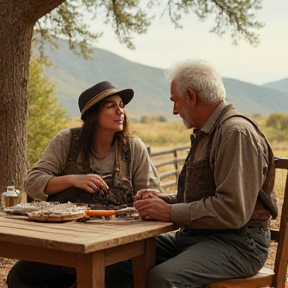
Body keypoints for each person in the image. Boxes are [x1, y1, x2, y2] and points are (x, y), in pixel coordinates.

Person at [133, 59, 278, 288]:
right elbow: (204, 198)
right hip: (200, 237)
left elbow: (232, 210)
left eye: (175, 101)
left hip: (239, 244)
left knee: (162, 278)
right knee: (125, 259)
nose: (173, 111)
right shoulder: (208, 133)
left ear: (191, 96)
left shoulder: (235, 133)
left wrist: (170, 212)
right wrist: (163, 201)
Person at [7, 80, 159, 288]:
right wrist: (72, 179)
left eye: (121, 105)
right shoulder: (66, 141)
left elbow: (151, 195)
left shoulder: (133, 148)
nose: (120, 111)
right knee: (21, 275)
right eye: (111, 106)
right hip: (64, 242)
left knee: (116, 276)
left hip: (114, 244)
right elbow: (32, 182)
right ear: (93, 115)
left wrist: (145, 200)